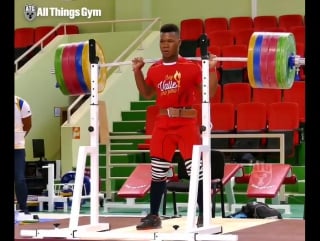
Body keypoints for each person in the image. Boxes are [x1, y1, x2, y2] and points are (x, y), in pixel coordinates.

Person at [132, 23, 218, 230]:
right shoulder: (155, 69)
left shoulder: (191, 67)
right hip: (163, 124)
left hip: (186, 123)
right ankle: (154, 216)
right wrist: (137, 71)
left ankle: (203, 214)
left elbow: (210, 92)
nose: (165, 45)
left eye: (170, 41)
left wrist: (212, 69)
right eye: (162, 41)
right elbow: (146, 94)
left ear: (179, 43)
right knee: (158, 172)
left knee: (194, 171)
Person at [14, 95, 32, 214]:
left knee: (19, 179)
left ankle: (23, 208)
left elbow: (28, 125)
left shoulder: (21, 104)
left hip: (18, 148)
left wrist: (18, 138)